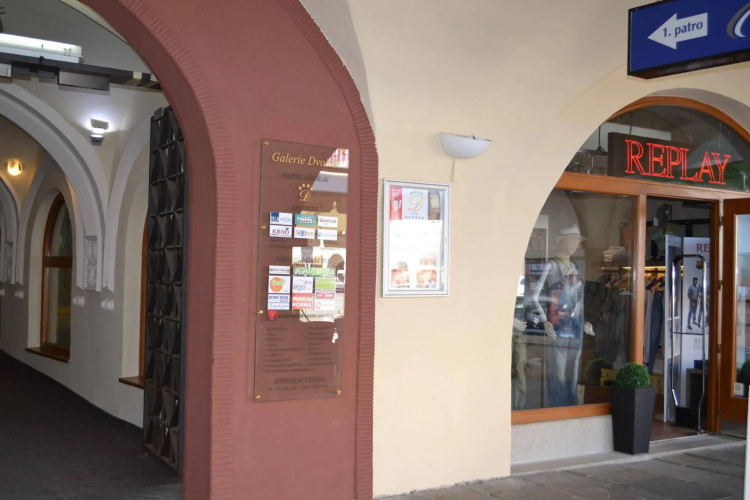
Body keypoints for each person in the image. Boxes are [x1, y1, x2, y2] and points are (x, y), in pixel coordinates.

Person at [530, 223, 595, 407]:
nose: (575, 244)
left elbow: (579, 300)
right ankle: (558, 409)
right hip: (557, 326)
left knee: (573, 373)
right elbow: (535, 297)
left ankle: (572, 408)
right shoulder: (551, 266)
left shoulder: (576, 267)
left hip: (576, 327)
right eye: (572, 240)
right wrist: (545, 321)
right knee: (557, 372)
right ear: (563, 241)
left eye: (577, 241)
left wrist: (584, 321)